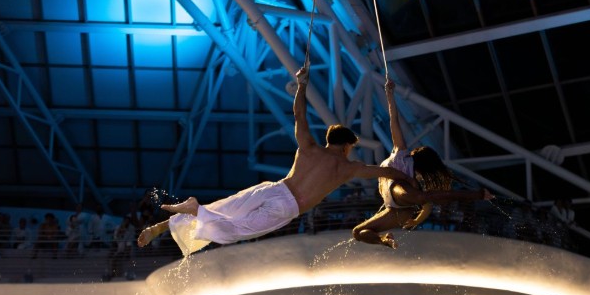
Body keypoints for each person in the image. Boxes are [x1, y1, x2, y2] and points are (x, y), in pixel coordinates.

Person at [137, 64, 417, 256]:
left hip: (273, 188)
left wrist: (302, 84)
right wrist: (410, 181)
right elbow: (386, 173)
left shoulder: (308, 147)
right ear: (346, 146)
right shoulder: (348, 168)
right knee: (237, 229)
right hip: (287, 206)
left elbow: (299, 115)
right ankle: (196, 210)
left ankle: (164, 225)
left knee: (223, 209)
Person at [352, 79, 494, 249]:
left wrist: (390, 95)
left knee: (423, 197)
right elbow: (427, 206)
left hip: (397, 195)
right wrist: (416, 220)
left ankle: (478, 194)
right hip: (398, 209)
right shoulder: (413, 177)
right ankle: (385, 241)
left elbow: (394, 121)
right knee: (358, 232)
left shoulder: (401, 154)